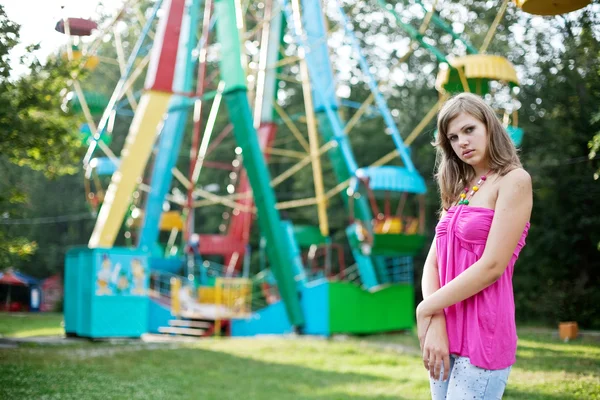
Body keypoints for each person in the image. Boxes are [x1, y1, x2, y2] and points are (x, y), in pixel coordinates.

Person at [417, 92, 532, 399]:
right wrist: (436, 319)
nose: (462, 142)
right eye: (453, 137)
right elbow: (434, 262)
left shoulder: (514, 180)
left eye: (469, 130)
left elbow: (493, 266)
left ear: (489, 128)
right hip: (444, 331)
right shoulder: (460, 189)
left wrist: (427, 307)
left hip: (483, 332)